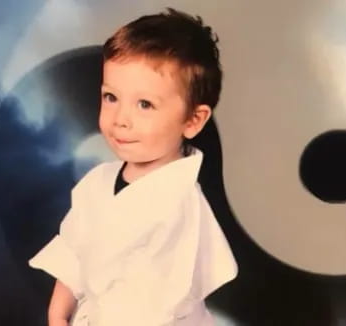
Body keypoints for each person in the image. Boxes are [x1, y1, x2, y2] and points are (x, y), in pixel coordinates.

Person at [29, 7, 238, 326]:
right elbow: (74, 251)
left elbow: (155, 306)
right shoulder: (98, 182)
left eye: (144, 105)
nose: (120, 119)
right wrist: (58, 314)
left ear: (193, 120)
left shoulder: (177, 206)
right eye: (111, 97)